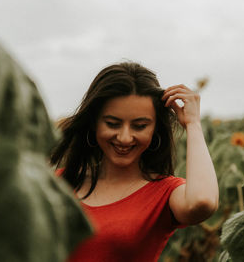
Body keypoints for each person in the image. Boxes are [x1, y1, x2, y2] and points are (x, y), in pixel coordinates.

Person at [51, 62, 219, 262]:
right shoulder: (58, 183)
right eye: (112, 124)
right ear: (94, 122)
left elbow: (203, 202)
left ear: (154, 129)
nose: (124, 137)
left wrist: (193, 124)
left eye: (139, 126)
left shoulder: (163, 193)